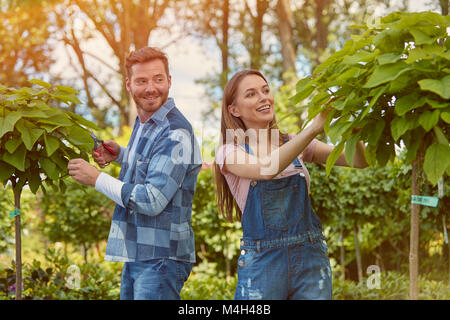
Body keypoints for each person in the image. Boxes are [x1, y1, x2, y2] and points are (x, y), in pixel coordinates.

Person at [214, 70, 368, 300]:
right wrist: (313, 129)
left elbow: (358, 161)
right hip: (263, 263)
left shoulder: (294, 143)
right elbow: (265, 169)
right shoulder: (229, 152)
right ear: (234, 109)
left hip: (311, 257)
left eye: (266, 90)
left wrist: (352, 127)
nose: (263, 97)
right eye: (251, 94)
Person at [67, 46, 202, 300]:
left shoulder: (175, 131)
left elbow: (151, 199)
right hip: (140, 251)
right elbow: (152, 164)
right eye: (142, 81)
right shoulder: (146, 123)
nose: (151, 88)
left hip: (161, 257)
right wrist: (120, 154)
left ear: (169, 81)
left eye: (158, 79)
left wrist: (96, 178)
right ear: (129, 84)